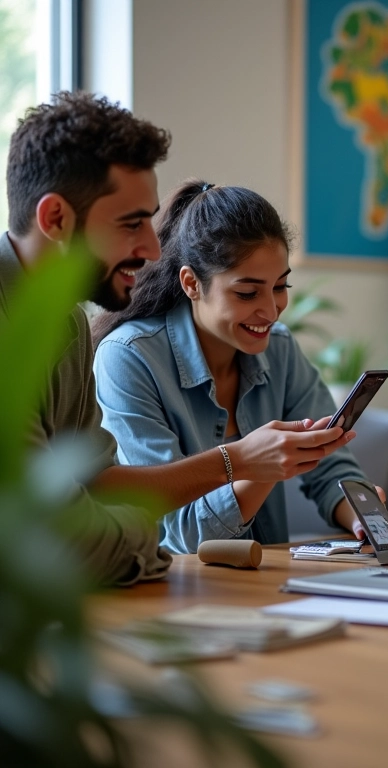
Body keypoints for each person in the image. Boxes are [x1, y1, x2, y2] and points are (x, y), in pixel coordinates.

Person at [2, 92, 353, 585]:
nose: (151, 248)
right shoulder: (112, 350)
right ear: (56, 219)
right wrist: (150, 543)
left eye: (149, 218)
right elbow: (59, 535)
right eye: (131, 223)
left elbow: (100, 488)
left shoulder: (68, 326)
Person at [92, 181, 368, 553]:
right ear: (191, 283)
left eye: (281, 286)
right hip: (173, 589)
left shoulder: (280, 348)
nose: (271, 311)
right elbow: (182, 536)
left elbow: (331, 468)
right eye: (247, 293)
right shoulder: (128, 358)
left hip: (267, 584)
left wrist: (363, 518)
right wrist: (259, 465)